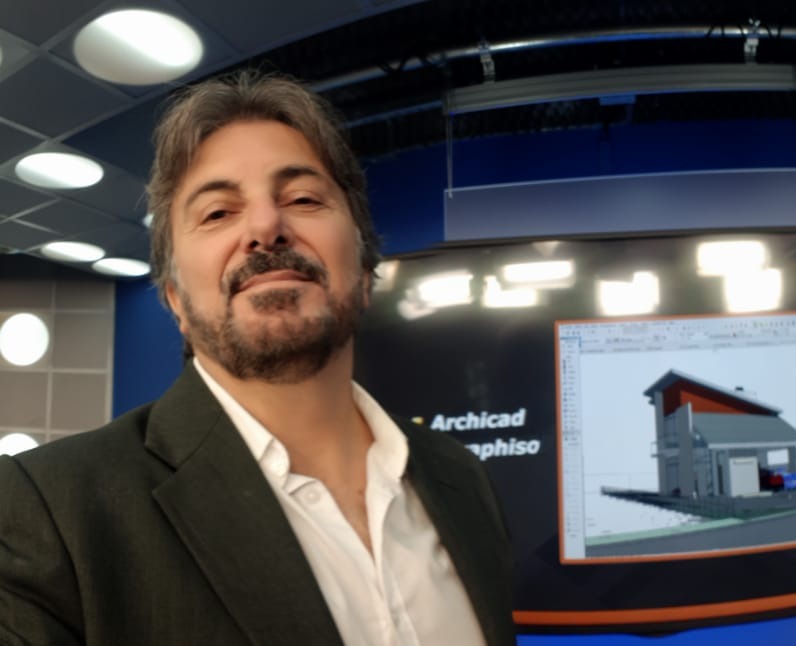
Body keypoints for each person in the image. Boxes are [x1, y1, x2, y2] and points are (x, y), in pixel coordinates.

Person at [0, 70, 515, 645]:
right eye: (218, 213)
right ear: (175, 299)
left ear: (365, 270)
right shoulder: (49, 512)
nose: (267, 226)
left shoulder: (462, 479)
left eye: (303, 199)